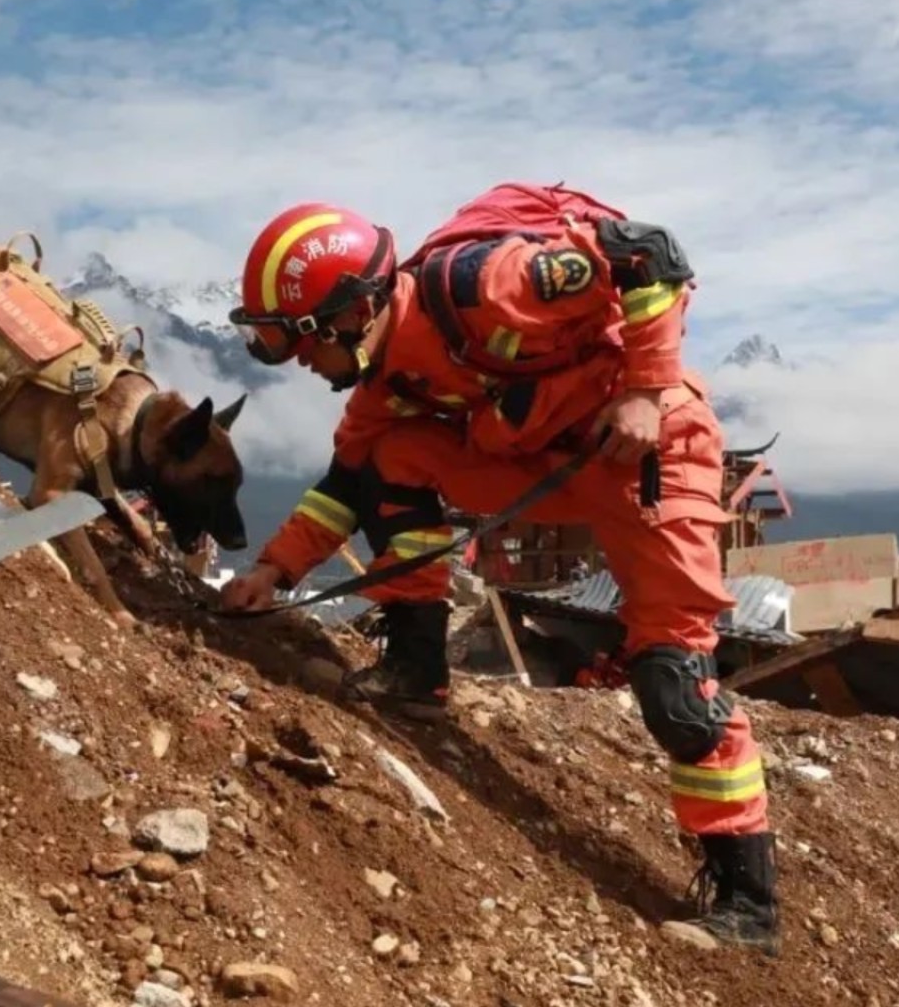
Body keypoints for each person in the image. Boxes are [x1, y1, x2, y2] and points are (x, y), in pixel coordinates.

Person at [217, 182, 780, 953]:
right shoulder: (384, 380)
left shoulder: (486, 283)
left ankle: (749, 905)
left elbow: (649, 253)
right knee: (388, 459)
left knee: (675, 686)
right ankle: (418, 667)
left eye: (300, 342)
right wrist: (273, 573)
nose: (302, 365)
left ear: (351, 312)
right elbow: (346, 483)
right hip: (546, 457)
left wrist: (647, 389)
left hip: (650, 450)